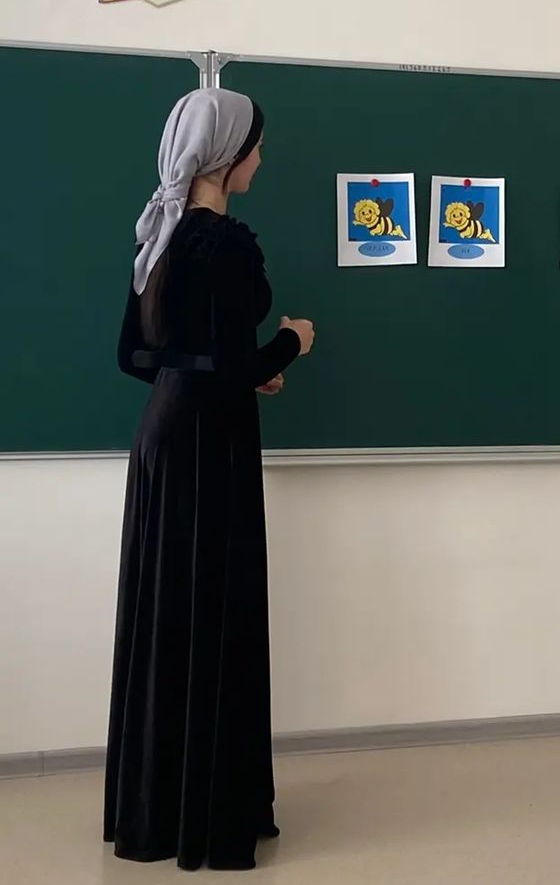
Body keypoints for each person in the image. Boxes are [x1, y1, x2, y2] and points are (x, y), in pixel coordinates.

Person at [104, 89, 316, 871]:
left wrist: (229, 372)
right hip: (208, 449)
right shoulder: (224, 244)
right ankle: (206, 816)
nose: (261, 157)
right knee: (212, 615)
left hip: (164, 438)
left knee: (169, 615)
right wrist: (289, 345)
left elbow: (137, 357)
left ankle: (155, 811)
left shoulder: (159, 233)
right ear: (225, 157)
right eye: (255, 145)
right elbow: (230, 361)